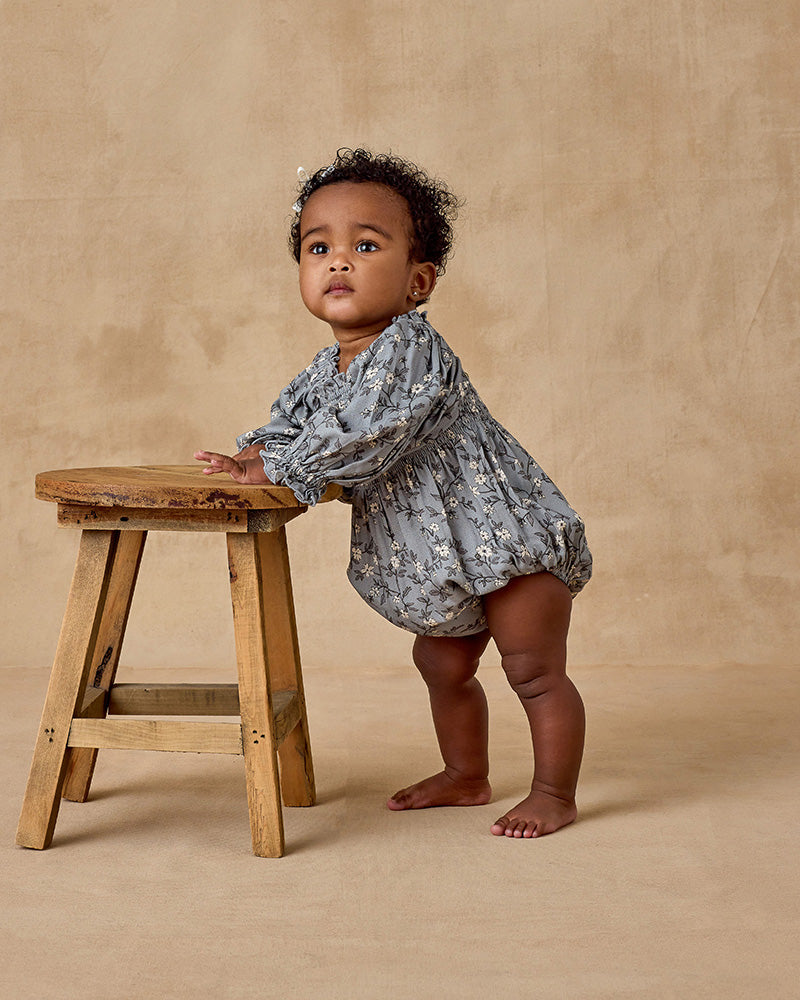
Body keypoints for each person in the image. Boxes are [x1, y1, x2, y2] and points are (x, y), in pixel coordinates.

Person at [195, 149, 592, 838]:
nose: (338, 262)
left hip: (508, 538)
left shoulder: (411, 349)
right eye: (319, 247)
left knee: (532, 670)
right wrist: (251, 457)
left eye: (366, 245)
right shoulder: (328, 368)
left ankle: (555, 791)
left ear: (418, 280)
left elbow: (364, 434)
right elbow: (294, 424)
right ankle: (467, 775)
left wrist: (282, 469)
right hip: (443, 559)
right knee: (440, 662)